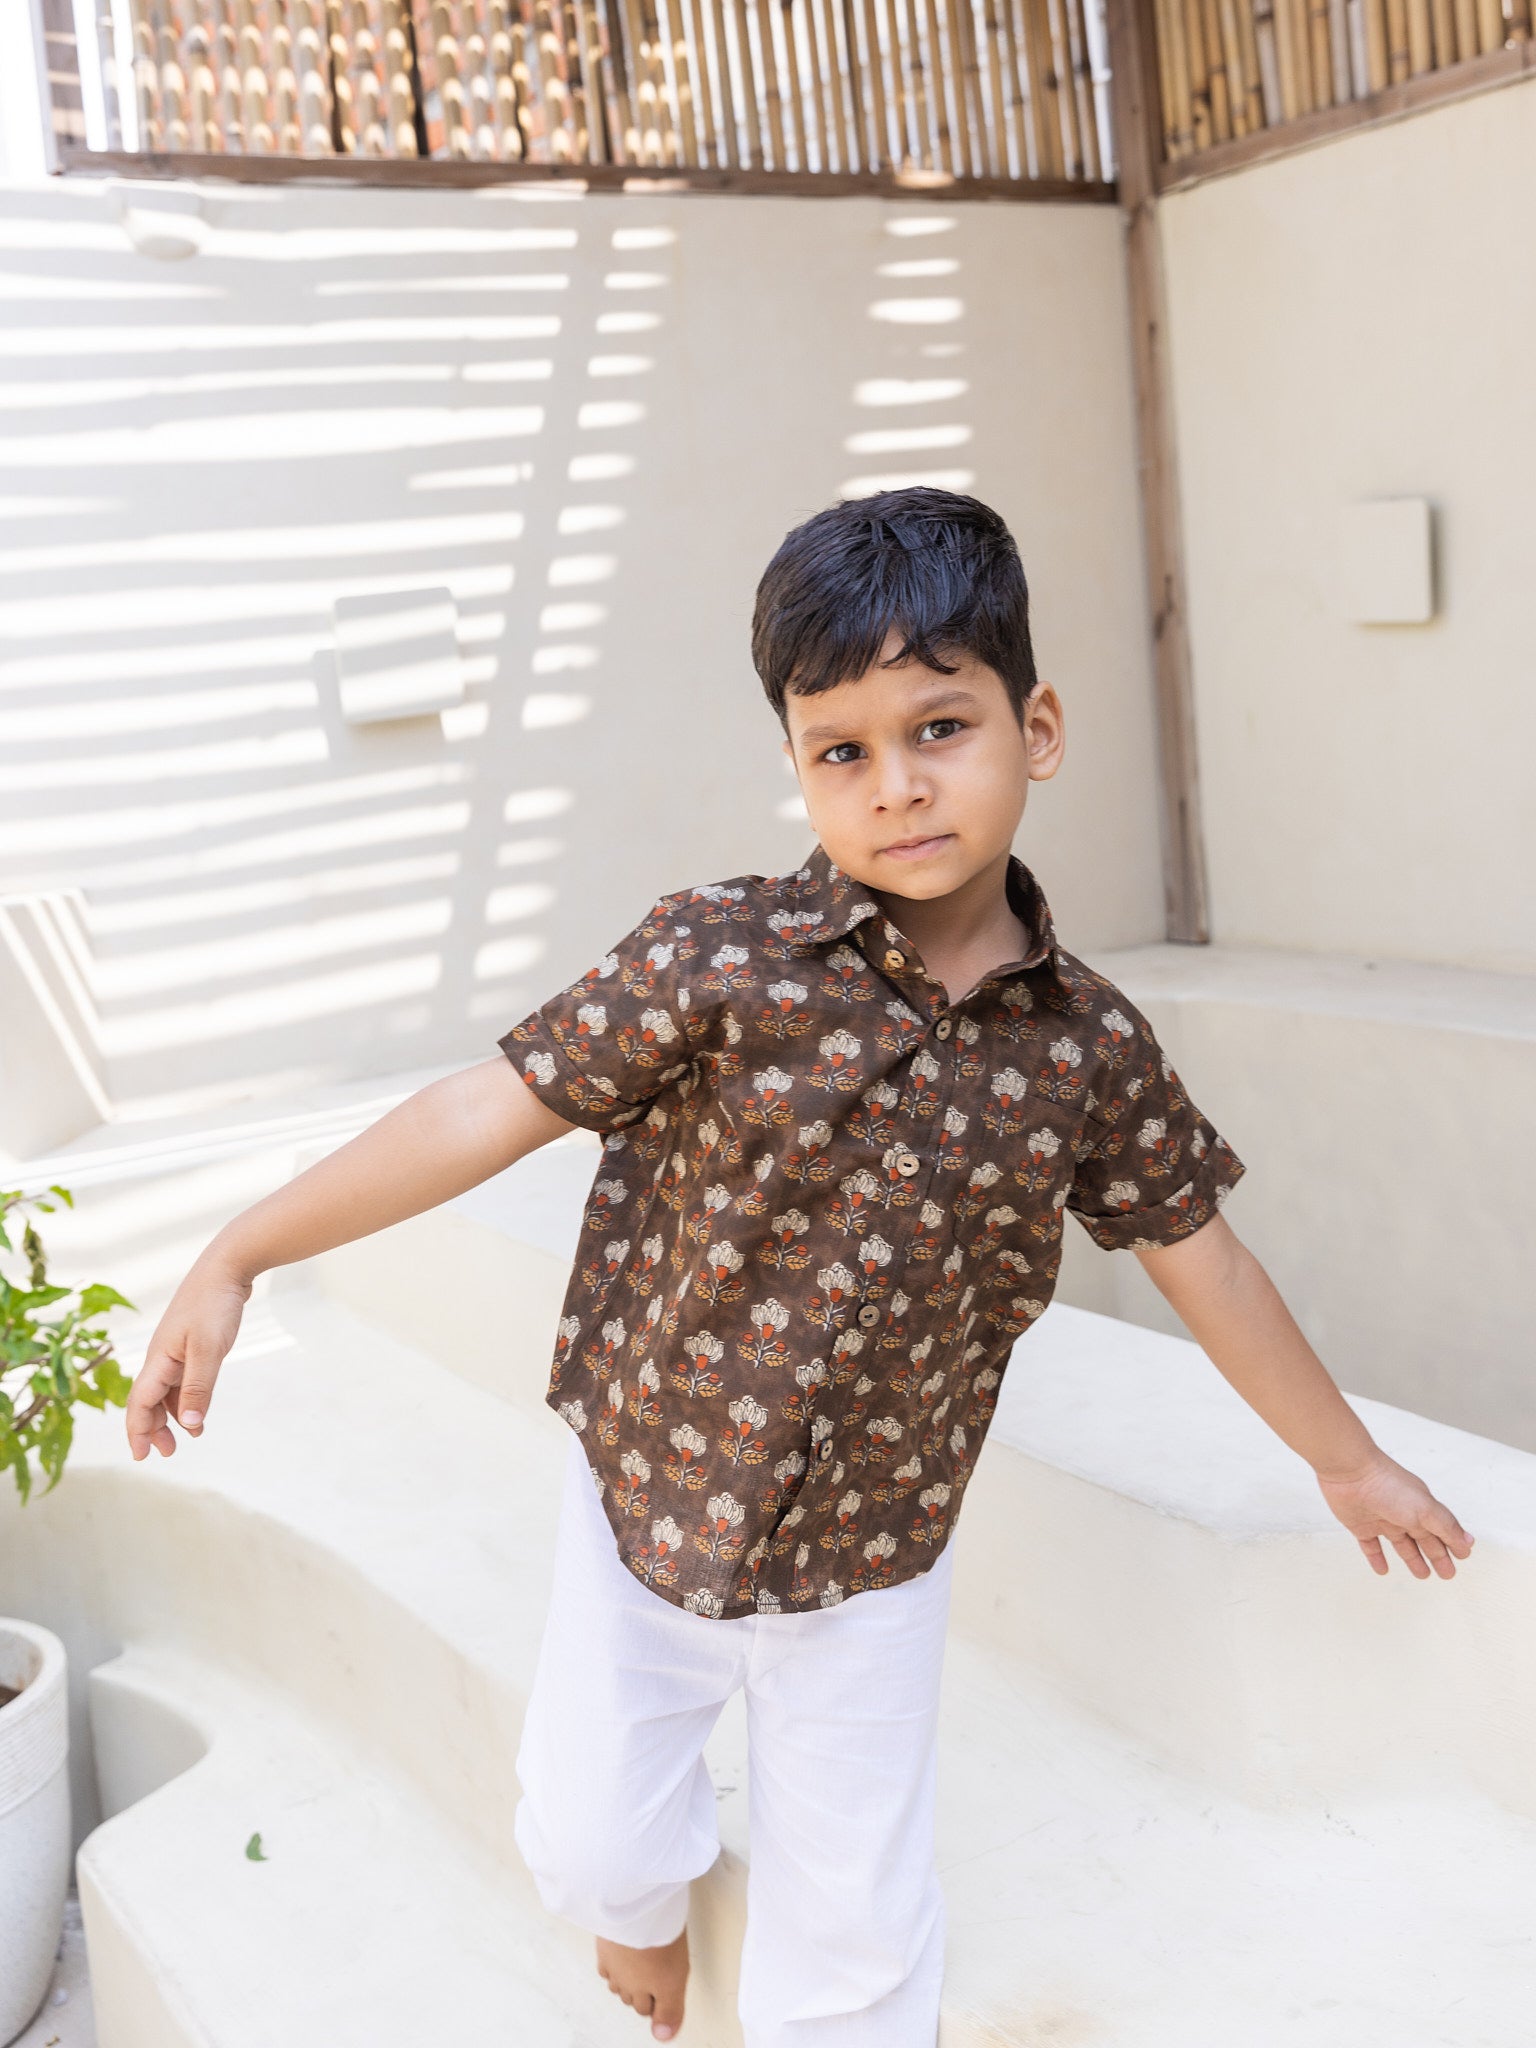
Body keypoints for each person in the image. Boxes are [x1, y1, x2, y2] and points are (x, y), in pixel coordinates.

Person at [125, 486, 1476, 2047]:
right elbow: (478, 1108)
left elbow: (1205, 1258)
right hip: (652, 1499)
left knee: (856, 1943)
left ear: (1036, 727)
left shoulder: (1090, 1050)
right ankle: (638, 1916)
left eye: (941, 728)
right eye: (844, 750)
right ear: (797, 765)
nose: (898, 787)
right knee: (591, 1837)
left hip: (875, 1555)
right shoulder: (716, 957)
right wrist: (239, 1252)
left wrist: (1348, 1460)